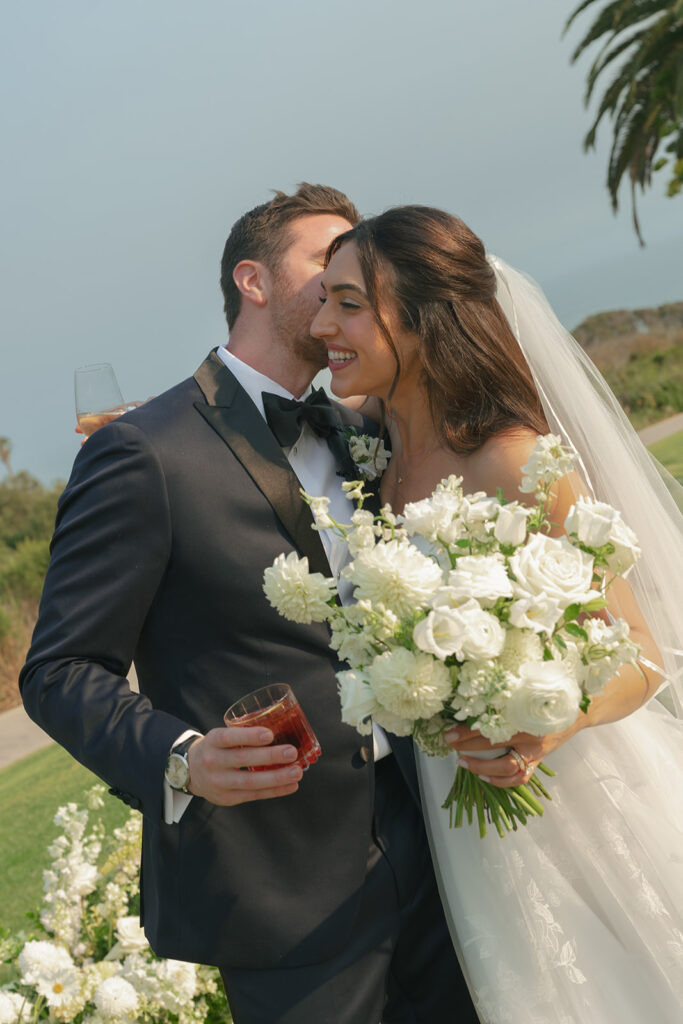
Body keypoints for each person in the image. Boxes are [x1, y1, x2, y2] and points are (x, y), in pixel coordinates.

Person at [20, 186, 475, 1024]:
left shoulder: (363, 429)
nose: (353, 278)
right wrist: (180, 757)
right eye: (328, 260)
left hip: (435, 853)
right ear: (253, 281)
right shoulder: (142, 452)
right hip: (285, 895)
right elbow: (57, 670)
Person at [310, 205, 683, 1023]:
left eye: (345, 303)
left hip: (581, 793)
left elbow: (641, 654)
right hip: (470, 828)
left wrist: (542, 726)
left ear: (415, 318)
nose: (319, 324)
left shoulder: (511, 457)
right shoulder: (370, 453)